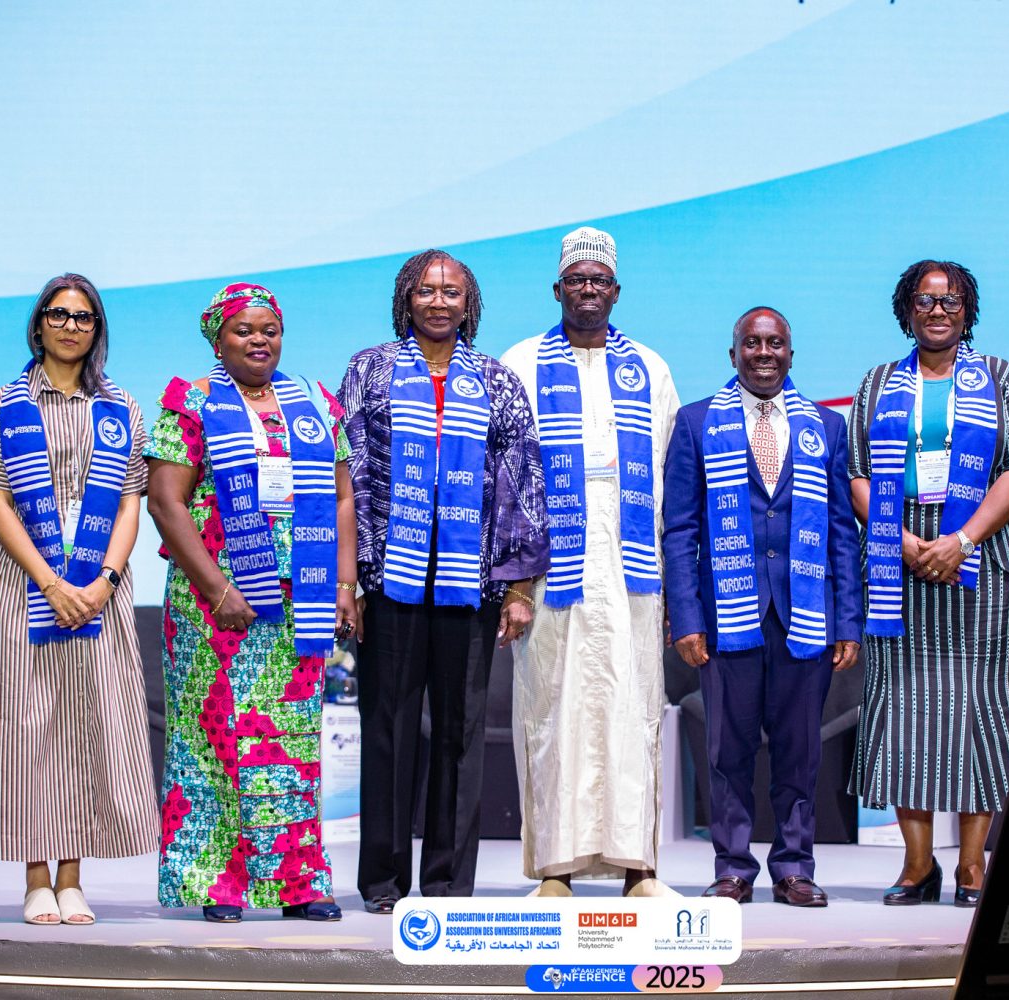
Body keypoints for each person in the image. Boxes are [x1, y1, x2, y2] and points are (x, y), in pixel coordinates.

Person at [338, 250, 549, 913]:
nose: (438, 301)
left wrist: (519, 586)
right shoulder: (370, 371)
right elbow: (350, 476)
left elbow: (523, 481)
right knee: (388, 727)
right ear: (406, 298)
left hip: (470, 585)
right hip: (389, 583)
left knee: (459, 733)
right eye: (426, 290)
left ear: (468, 304)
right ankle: (383, 880)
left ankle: (449, 882)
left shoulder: (496, 381)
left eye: (451, 291)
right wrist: (352, 581)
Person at [0, 274, 158, 925]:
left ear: (97, 330)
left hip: (98, 595)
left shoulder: (120, 406)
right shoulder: (6, 402)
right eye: (59, 314)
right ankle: (35, 876)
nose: (71, 326)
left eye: (84, 317)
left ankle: (73, 877)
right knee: (26, 728)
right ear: (38, 324)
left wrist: (106, 581)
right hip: (23, 589)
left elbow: (130, 502)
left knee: (85, 727)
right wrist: (49, 581)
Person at [146, 282, 356, 923]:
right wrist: (218, 588)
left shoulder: (314, 402)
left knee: (292, 740)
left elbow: (342, 495)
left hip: (300, 601)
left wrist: (345, 585)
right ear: (219, 340)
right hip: (214, 604)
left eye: (270, 329)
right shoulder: (190, 402)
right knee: (214, 737)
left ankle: (298, 882)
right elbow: (166, 501)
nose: (259, 340)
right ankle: (219, 883)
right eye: (244, 330)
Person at [847, 260, 1009, 908]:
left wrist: (962, 539)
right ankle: (916, 866)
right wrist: (902, 541)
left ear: (968, 311)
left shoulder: (1001, 378)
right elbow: (856, 473)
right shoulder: (878, 382)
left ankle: (973, 867)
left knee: (977, 707)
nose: (938, 311)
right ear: (907, 309)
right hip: (898, 556)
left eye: (951, 301)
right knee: (904, 707)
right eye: (926, 300)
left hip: (983, 558)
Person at [501, 226, 681, 898]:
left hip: (633, 570)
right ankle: (557, 868)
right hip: (552, 571)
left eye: (598, 280)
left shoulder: (651, 369)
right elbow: (507, 478)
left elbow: (671, 478)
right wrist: (514, 582)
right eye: (576, 279)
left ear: (616, 291)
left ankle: (640, 868)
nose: (587, 289)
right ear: (557, 289)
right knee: (553, 710)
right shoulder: (521, 363)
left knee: (634, 710)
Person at [663, 306, 862, 907]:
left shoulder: (827, 427)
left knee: (801, 752)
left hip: (806, 612)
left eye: (775, 343)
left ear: (791, 354)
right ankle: (733, 869)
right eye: (752, 343)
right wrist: (686, 616)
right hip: (726, 615)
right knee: (728, 751)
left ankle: (794, 867)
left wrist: (848, 620)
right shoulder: (696, 423)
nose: (764, 353)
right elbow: (679, 530)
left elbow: (842, 531)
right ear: (733, 354)